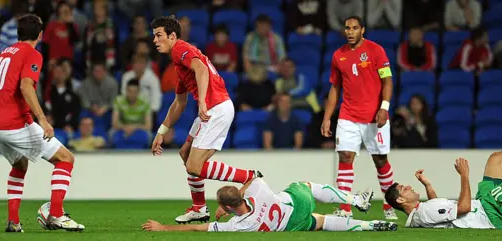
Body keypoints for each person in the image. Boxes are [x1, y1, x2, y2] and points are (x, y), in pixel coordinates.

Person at [150, 16, 262, 224]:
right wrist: (161, 132)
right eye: (154, 36)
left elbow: (201, 69)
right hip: (212, 108)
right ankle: (199, 208)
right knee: (185, 153)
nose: (155, 41)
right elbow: (179, 103)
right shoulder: (178, 64)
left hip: (215, 108)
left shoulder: (180, 48)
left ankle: (248, 176)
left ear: (172, 36)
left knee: (194, 165)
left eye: (158, 35)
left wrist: (201, 101)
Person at [0, 14, 84, 232]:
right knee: (65, 158)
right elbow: (26, 86)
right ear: (40, 35)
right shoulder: (32, 54)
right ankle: (56, 214)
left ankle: (13, 222)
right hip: (14, 123)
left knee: (20, 165)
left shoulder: (3, 54)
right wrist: (43, 120)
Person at [321, 16, 396, 220]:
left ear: (362, 30)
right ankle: (344, 209)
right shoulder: (338, 56)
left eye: (355, 28)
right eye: (347, 28)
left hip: (375, 116)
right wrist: (328, 117)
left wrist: (384, 107)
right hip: (348, 115)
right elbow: (335, 88)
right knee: (345, 157)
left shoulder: (376, 50)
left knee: (380, 160)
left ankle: (389, 206)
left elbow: (387, 81)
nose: (350, 31)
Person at [142, 177, 398, 232]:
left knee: (321, 223)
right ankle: (356, 200)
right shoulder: (259, 191)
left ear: (228, 208)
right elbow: (251, 179)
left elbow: (199, 229)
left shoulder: (241, 224)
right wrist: (235, 195)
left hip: (291, 224)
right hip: (295, 203)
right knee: (305, 185)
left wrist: (163, 228)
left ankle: (369, 225)